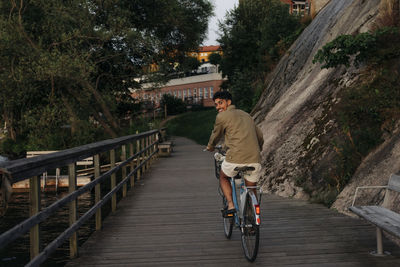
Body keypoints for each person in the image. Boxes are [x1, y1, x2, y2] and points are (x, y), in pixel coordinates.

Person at [206, 91, 264, 217]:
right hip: (255, 158)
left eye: (220, 103)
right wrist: (258, 149)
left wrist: (210, 146)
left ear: (229, 102)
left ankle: (231, 205)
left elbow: (216, 134)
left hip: (235, 158)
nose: (218, 107)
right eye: (216, 105)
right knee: (251, 189)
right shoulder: (247, 115)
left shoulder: (222, 117)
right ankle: (252, 217)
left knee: (223, 176)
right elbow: (260, 136)